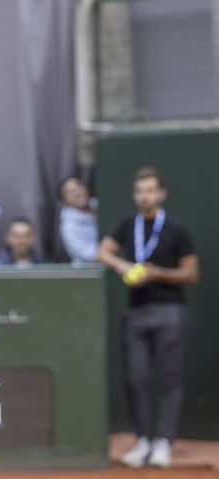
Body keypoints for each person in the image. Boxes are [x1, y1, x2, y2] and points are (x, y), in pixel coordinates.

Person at [97, 166, 199, 469]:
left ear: (162, 193)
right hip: (136, 313)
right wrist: (121, 266)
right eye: (140, 191)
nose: (145, 196)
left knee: (169, 378)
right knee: (135, 377)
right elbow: (102, 251)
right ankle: (143, 439)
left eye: (151, 190)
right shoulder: (128, 224)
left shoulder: (177, 229)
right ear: (134, 194)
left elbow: (191, 273)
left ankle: (164, 442)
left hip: (170, 311)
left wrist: (158, 274)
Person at [58, 176, 98, 264]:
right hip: (89, 272)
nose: (77, 193)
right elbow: (86, 255)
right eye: (70, 192)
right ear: (65, 201)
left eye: (78, 187)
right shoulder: (68, 226)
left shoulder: (99, 205)